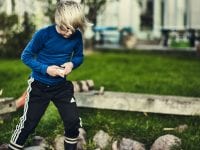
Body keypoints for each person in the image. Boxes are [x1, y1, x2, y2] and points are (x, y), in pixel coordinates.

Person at [8, 1, 90, 150]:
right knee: (29, 122)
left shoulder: (76, 36)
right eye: (66, 29)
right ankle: (13, 147)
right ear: (58, 21)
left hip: (61, 87)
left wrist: (72, 64)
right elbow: (25, 56)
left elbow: (79, 56)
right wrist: (46, 69)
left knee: (72, 122)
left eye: (74, 28)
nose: (70, 33)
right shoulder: (43, 34)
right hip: (39, 85)